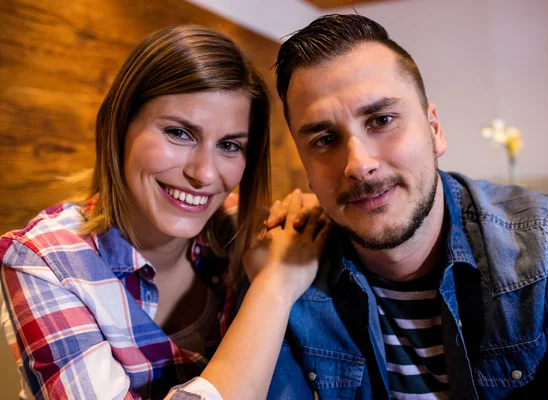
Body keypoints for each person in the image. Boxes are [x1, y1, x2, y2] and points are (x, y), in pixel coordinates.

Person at [262, 13, 548, 399]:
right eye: (324, 139)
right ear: (305, 166)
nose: (358, 165)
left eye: (382, 119)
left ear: (434, 130)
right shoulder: (289, 284)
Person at [0, 26, 331, 400]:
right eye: (178, 133)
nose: (204, 174)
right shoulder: (44, 261)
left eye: (228, 145)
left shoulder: (238, 227)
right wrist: (274, 288)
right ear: (120, 126)